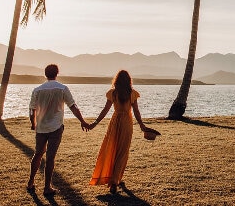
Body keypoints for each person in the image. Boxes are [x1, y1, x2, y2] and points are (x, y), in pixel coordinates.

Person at [88, 70, 155, 194]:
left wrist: (95, 123)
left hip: (115, 122)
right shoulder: (132, 93)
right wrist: (141, 125)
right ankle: (115, 180)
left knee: (112, 149)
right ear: (129, 80)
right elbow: (136, 111)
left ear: (117, 80)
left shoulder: (113, 93)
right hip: (126, 123)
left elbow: (105, 110)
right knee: (122, 152)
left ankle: (114, 178)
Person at [27, 64, 89, 196]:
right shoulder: (62, 88)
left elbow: (32, 110)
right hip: (56, 128)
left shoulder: (37, 90)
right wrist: (82, 121)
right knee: (50, 157)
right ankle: (46, 187)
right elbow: (73, 106)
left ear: (45, 74)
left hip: (41, 128)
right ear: (57, 73)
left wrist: (33, 124)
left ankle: (31, 182)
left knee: (38, 154)